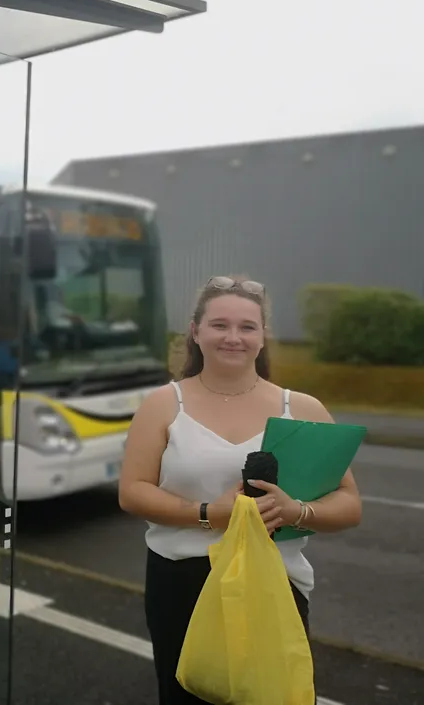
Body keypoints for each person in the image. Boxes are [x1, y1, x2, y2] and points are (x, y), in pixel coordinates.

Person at [118, 275, 363, 704]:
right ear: (195, 332)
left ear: (263, 336)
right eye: (219, 325)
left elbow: (348, 505)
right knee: (186, 696)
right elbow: (133, 491)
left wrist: (295, 512)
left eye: (247, 327)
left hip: (274, 581)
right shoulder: (163, 403)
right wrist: (210, 512)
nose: (234, 337)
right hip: (182, 583)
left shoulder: (302, 409)